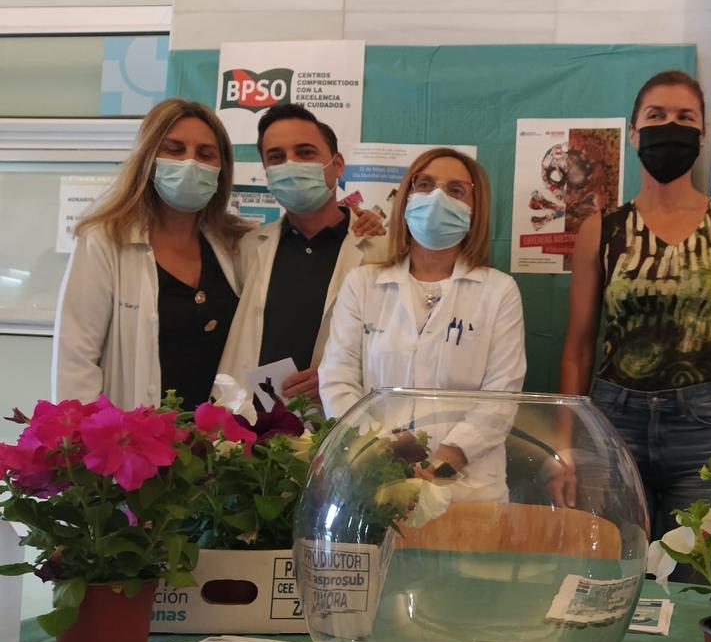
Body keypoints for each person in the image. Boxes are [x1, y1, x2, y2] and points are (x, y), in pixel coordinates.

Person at [559, 70, 711, 537]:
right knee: (610, 563)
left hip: (703, 426)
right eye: (656, 115)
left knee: (697, 570)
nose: (670, 127)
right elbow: (578, 346)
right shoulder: (602, 228)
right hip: (613, 421)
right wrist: (566, 443)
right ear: (633, 131)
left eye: (685, 117)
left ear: (702, 133)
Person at [320, 148, 526, 488]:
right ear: (406, 197)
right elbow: (337, 380)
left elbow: (501, 397)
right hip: (375, 479)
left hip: (468, 485)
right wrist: (383, 456)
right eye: (425, 185)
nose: (437, 198)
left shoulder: (499, 291)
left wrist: (439, 465)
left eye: (456, 190)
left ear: (476, 210)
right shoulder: (362, 283)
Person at [53, 98, 249, 410]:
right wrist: (86, 434)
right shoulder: (105, 240)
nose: (190, 162)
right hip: (134, 432)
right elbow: (76, 359)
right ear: (148, 158)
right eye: (174, 149)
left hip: (217, 436)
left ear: (221, 168)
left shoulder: (234, 244)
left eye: (205, 154)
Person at [218, 102, 386, 402]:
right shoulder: (246, 248)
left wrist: (341, 375)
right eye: (276, 157)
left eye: (305, 153)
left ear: (337, 165)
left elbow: (402, 348)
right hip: (253, 420)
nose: (290, 165)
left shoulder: (382, 251)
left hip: (339, 417)